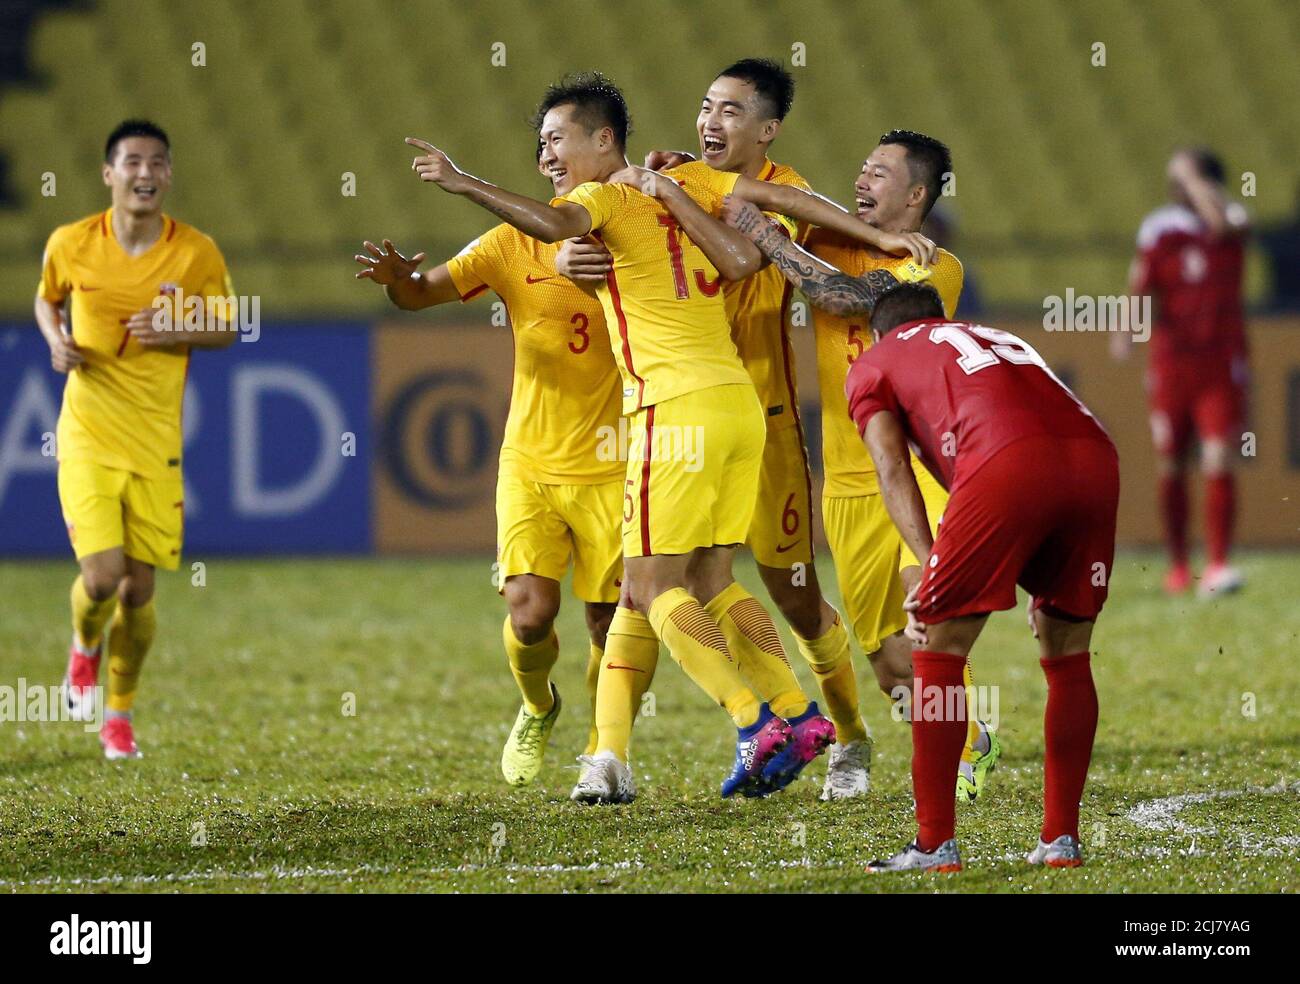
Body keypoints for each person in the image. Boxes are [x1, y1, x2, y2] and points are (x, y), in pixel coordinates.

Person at [556, 58, 870, 799]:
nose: (710, 122)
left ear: (768, 129)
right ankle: (608, 755)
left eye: (730, 111)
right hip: (686, 407)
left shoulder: (770, 193)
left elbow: (751, 258)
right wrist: (574, 254)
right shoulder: (679, 182)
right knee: (647, 585)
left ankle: (845, 736)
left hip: (761, 417)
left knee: (791, 596)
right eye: (705, 107)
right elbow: (624, 250)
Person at [354, 145, 647, 789]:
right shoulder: (510, 243)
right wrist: (398, 280)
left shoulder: (642, 238)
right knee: (529, 612)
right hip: (531, 461)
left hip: (616, 463)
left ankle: (602, 751)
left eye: (560, 139)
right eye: (541, 145)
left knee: (609, 621)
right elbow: (417, 296)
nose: (548, 155)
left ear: (603, 144)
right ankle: (539, 705)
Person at [725, 131, 1002, 804]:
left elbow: (846, 298)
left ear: (915, 194)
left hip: (922, 468)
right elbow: (760, 202)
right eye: (862, 169)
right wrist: (684, 177)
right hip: (849, 482)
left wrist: (766, 233)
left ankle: (962, 750)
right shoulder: (826, 237)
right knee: (891, 667)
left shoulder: (935, 267)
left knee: (925, 609)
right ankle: (947, 733)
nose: (862, 180)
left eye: (879, 173)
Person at [840, 283, 1117, 872]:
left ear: (876, 333)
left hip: (1006, 459)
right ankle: (1060, 840)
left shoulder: (874, 361)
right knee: (1067, 649)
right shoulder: (995, 337)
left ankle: (934, 844)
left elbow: (892, 467)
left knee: (937, 646)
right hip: (1096, 457)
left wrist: (929, 562)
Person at [36, 120, 237, 759]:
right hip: (88, 434)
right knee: (102, 578)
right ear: (109, 174)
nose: (145, 173)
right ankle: (83, 647)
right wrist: (56, 340)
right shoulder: (71, 243)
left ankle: (118, 717)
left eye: (156, 163)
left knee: (138, 590)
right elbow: (46, 300)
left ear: (169, 175)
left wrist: (180, 326)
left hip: (155, 443)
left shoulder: (196, 252)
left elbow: (229, 326)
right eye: (132, 162)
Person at [1115, 147, 1250, 597]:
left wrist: (1195, 182)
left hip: (1221, 360)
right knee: (1171, 460)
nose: (1176, 186)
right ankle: (1178, 564)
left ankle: (1218, 563)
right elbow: (1140, 282)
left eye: (1185, 177)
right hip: (1172, 360)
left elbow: (1222, 225)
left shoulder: (1232, 216)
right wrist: (1126, 330)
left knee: (1217, 456)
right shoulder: (1160, 226)